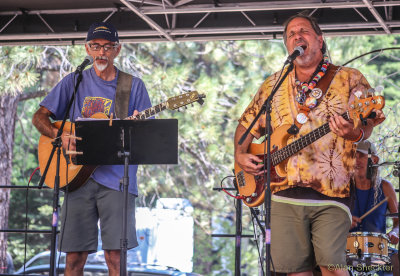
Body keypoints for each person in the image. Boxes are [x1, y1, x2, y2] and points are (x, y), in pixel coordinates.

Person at [234, 13, 385, 276]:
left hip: (332, 194)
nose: (296, 37)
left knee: (333, 266)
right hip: (281, 193)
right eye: (291, 35)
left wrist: (353, 134)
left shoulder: (349, 78)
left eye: (303, 31)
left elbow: (367, 124)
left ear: (320, 39)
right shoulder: (273, 84)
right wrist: (240, 153)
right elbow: (247, 124)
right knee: (295, 270)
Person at [32, 22, 151, 275]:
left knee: (115, 258)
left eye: (108, 47)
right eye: (96, 46)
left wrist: (139, 127)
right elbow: (39, 117)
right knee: (74, 258)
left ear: (117, 51)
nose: (101, 53)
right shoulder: (74, 81)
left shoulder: (133, 86)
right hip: (76, 178)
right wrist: (58, 135)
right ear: (87, 48)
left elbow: (149, 138)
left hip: (118, 180)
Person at [351, 140, 399, 276]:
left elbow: (397, 222)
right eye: (353, 155)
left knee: (395, 261)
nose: (356, 160)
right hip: (347, 249)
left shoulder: (385, 187)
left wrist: (395, 232)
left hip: (378, 249)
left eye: (361, 155)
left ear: (374, 159)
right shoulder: (343, 188)